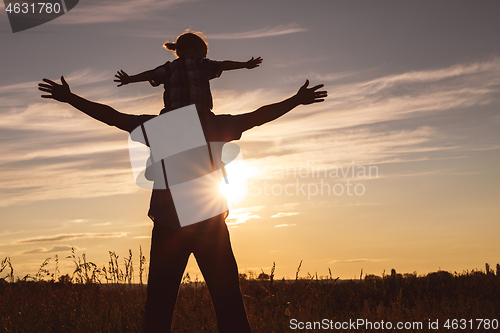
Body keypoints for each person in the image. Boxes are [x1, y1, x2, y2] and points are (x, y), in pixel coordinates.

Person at [38, 76, 327, 333]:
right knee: (223, 307)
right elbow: (258, 116)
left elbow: (113, 116)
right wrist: (295, 101)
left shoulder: (163, 126)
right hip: (202, 227)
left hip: (177, 227)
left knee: (167, 311)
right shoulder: (211, 124)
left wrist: (71, 98)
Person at [114, 31, 263, 118]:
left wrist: (130, 79)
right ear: (193, 52)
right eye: (203, 55)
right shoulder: (201, 64)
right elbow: (223, 65)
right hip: (201, 114)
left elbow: (150, 74)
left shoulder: (170, 67)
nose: (204, 58)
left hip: (173, 116)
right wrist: (244, 65)